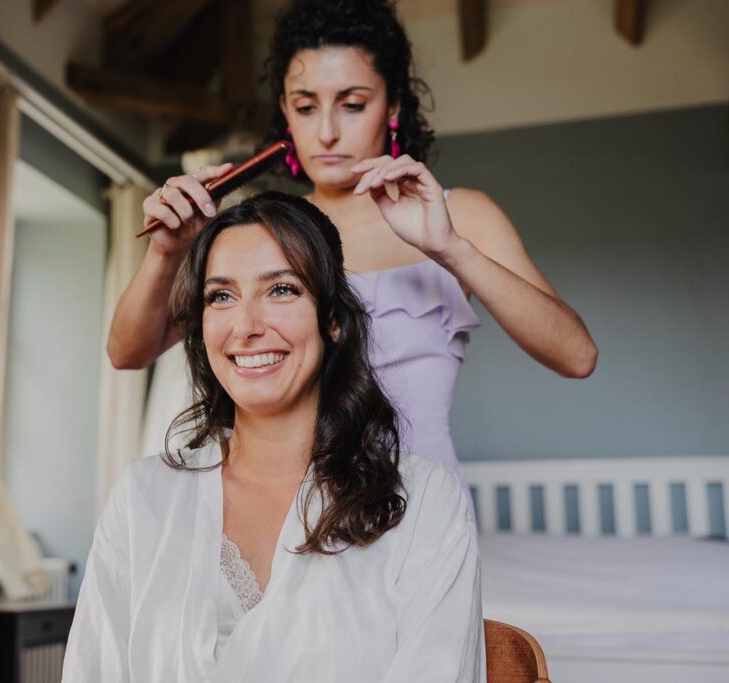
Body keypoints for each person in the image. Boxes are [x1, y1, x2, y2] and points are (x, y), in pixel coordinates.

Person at [106, 0, 597, 493]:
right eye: (305, 106)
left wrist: (449, 248)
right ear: (284, 112)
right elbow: (127, 352)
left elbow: (576, 356)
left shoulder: (460, 215)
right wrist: (167, 252)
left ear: (394, 105)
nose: (326, 132)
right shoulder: (269, 231)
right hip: (295, 520)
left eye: (353, 104)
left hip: (422, 513)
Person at [63, 193, 481, 682]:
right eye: (221, 296)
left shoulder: (423, 500)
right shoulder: (142, 498)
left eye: (281, 290)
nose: (246, 327)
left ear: (332, 320)